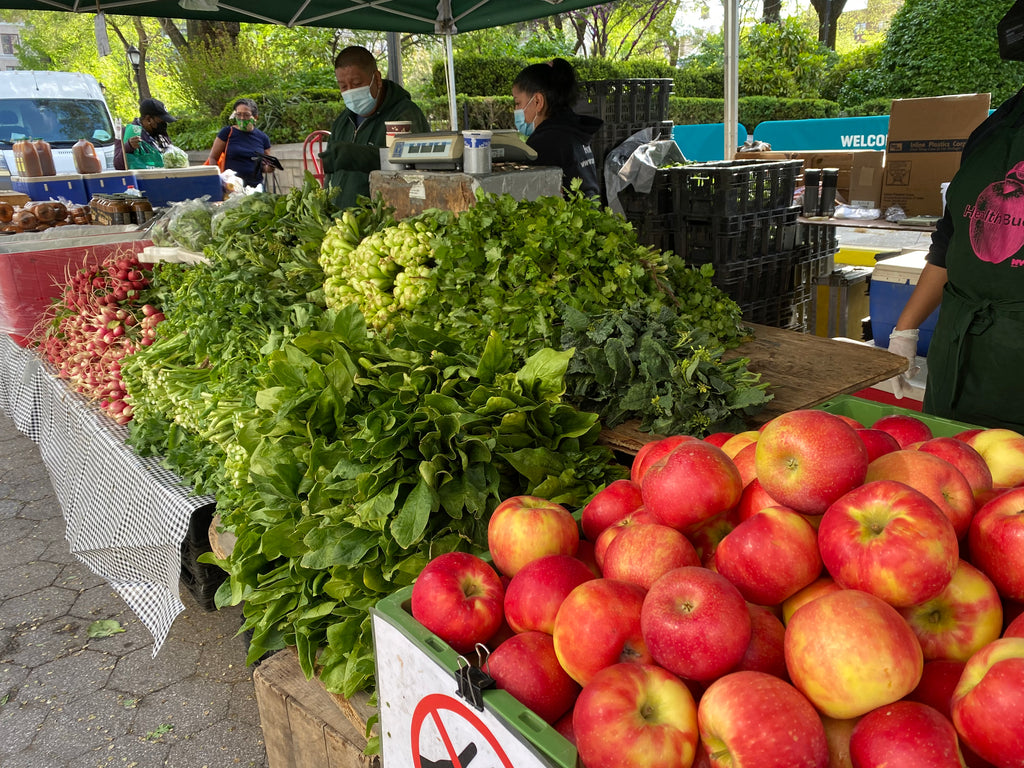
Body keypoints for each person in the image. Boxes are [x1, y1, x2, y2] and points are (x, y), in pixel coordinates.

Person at [886, 2, 1024, 430]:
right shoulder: (997, 128)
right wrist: (904, 331)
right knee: (949, 469)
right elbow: (952, 238)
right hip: (959, 346)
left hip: (1017, 361)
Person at [321, 45, 430, 210]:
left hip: (384, 223)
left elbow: (412, 169)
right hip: (340, 224)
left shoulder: (405, 115)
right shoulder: (343, 121)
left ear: (377, 79)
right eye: (343, 86)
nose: (350, 91)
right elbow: (330, 179)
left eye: (357, 83)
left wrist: (358, 156)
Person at [512, 58, 603, 198]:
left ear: (538, 101)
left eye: (518, 103)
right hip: (591, 215)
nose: (516, 109)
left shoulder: (545, 142)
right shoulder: (574, 131)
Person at [205, 98, 274, 189]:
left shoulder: (263, 137)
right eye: (238, 114)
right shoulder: (227, 132)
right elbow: (213, 157)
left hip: (255, 188)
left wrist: (270, 167)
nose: (242, 118)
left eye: (246, 115)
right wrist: (218, 179)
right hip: (231, 188)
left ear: (255, 117)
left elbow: (264, 166)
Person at [114, 97, 175, 171]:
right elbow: (117, 164)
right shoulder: (127, 132)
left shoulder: (160, 134)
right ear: (148, 119)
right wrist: (129, 146)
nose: (164, 124)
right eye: (161, 121)